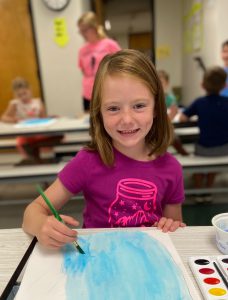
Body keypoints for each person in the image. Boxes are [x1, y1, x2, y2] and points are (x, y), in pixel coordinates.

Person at [22, 49, 186, 250]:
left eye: (139, 106)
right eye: (113, 108)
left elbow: (175, 227)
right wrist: (41, 225)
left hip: (147, 263)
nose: (126, 119)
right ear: (99, 113)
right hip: (98, 261)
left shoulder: (171, 168)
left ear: (156, 108)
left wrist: (171, 224)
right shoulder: (88, 161)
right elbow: (32, 212)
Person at [180, 66, 228, 201]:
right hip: (225, 150)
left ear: (202, 85)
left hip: (204, 150)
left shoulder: (199, 102)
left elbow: (183, 118)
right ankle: (208, 189)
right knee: (214, 154)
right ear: (225, 85)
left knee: (197, 151)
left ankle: (198, 190)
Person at [1, 77, 63, 164]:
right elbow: (3, 118)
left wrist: (51, 118)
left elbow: (43, 118)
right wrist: (15, 120)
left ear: (29, 90)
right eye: (19, 95)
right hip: (25, 133)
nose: (23, 97)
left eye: (25, 93)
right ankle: (36, 159)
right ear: (15, 95)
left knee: (59, 135)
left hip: (37, 132)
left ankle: (38, 159)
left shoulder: (37, 102)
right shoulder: (15, 104)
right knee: (26, 143)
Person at [77, 11, 121, 112]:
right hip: (88, 93)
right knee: (91, 122)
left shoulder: (110, 44)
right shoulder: (82, 50)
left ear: (94, 27)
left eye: (85, 30)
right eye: (80, 31)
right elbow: (83, 71)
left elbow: (121, 66)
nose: (83, 34)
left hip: (107, 91)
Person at [158, 70, 188, 156]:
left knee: (172, 136)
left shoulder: (170, 98)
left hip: (166, 123)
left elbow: (174, 111)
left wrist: (167, 121)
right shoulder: (151, 97)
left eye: (161, 82)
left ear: (166, 84)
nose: (159, 85)